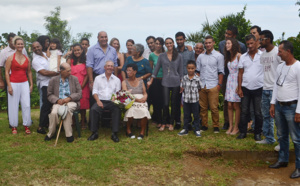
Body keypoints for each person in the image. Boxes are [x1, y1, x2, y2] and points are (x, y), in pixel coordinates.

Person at [269, 40, 300, 179]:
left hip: (292, 107)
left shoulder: (298, 67)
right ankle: (283, 160)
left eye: (280, 51)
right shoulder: (280, 66)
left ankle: (299, 167)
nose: (278, 53)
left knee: (296, 139)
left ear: (288, 51)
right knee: (282, 135)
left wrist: (299, 111)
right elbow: (276, 86)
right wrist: (272, 103)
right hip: (280, 106)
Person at [148, 37, 183, 131]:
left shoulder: (178, 56)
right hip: (165, 81)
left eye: (170, 43)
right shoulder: (162, 56)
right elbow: (155, 69)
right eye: (167, 43)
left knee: (174, 103)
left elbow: (180, 71)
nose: (169, 45)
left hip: (176, 82)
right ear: (165, 45)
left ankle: (171, 123)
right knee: (166, 103)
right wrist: (151, 80)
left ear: (173, 44)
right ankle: (164, 123)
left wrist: (182, 84)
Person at [256, 30, 282, 145]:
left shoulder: (278, 53)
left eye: (261, 39)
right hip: (264, 88)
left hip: (275, 89)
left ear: (269, 39)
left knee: (277, 118)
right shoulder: (263, 55)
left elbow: (283, 70)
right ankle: (269, 138)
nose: (260, 41)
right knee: (266, 115)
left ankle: (282, 141)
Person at [218, 25, 247, 130]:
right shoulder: (221, 44)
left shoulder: (242, 47)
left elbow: (243, 66)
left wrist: (240, 83)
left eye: (229, 35)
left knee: (237, 103)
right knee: (228, 103)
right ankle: (227, 123)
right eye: (225, 34)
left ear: (234, 36)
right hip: (227, 76)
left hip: (237, 78)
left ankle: (238, 125)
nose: (226, 36)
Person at [46, 63, 82, 143]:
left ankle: (69, 135)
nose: (70, 72)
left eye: (70, 70)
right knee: (54, 113)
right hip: (58, 102)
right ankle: (51, 133)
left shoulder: (74, 79)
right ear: (61, 71)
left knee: (67, 111)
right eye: (68, 71)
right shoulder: (53, 80)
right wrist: (57, 100)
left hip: (71, 102)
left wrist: (70, 98)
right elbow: (49, 94)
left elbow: (79, 93)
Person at [237, 34, 263, 140]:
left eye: (252, 43)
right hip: (246, 87)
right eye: (248, 44)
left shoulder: (263, 56)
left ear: (257, 42)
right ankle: (243, 132)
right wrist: (239, 88)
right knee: (244, 111)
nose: (250, 46)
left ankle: (257, 133)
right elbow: (240, 73)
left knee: (258, 112)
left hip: (259, 87)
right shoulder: (243, 57)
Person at [87, 61, 121, 142]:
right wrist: (98, 101)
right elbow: (94, 91)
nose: (110, 67)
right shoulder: (98, 78)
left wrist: (115, 98)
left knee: (117, 110)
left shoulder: (117, 80)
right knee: (93, 109)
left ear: (113, 68)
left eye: (112, 66)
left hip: (112, 101)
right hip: (100, 100)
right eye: (108, 66)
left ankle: (114, 133)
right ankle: (94, 132)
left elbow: (118, 92)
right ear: (104, 67)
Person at [5, 36, 33, 134]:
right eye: (18, 44)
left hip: (24, 83)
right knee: (13, 104)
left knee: (26, 104)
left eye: (22, 44)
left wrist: (31, 84)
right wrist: (9, 85)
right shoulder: (10, 58)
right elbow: (6, 72)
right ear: (15, 45)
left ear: (23, 45)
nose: (20, 45)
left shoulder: (27, 58)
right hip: (13, 83)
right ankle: (14, 126)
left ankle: (26, 125)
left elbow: (29, 72)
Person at [197, 35, 224, 133]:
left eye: (209, 42)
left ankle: (216, 126)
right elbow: (198, 71)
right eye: (206, 43)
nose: (208, 44)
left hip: (213, 85)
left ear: (213, 43)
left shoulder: (219, 56)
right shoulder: (201, 56)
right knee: (203, 107)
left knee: (214, 108)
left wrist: (219, 85)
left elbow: (221, 71)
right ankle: (204, 125)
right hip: (202, 85)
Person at [31, 41, 59, 134]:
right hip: (45, 84)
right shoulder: (35, 60)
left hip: (55, 83)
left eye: (38, 46)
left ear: (41, 46)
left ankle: (50, 124)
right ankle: (40, 127)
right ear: (32, 49)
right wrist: (57, 73)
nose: (36, 49)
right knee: (46, 105)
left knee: (53, 104)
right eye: (34, 48)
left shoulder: (47, 54)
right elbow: (44, 72)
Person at [86, 31, 118, 110]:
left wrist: (116, 78)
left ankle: (108, 121)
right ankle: (94, 121)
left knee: (110, 98)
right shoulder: (92, 50)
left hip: (110, 77)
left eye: (105, 37)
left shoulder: (113, 50)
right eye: (102, 37)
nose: (104, 39)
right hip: (97, 77)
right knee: (95, 100)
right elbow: (89, 66)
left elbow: (115, 65)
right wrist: (91, 81)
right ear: (98, 38)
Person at [123, 63, 151, 140]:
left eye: (130, 70)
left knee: (144, 110)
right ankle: (128, 129)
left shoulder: (141, 81)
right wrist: (137, 100)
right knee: (131, 110)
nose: (128, 72)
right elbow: (126, 94)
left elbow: (145, 92)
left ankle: (142, 131)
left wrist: (144, 98)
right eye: (127, 70)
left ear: (135, 72)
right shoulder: (124, 82)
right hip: (130, 100)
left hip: (141, 99)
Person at [175, 31, 195, 130]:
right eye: (177, 39)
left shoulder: (190, 52)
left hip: (188, 80)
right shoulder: (173, 52)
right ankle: (178, 121)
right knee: (177, 102)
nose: (179, 41)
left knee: (188, 103)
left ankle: (188, 123)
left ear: (184, 39)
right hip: (176, 80)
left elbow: (193, 65)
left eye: (181, 39)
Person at [67, 43, 89, 129]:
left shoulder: (86, 60)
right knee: (73, 104)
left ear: (82, 50)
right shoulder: (70, 60)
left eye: (78, 50)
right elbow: (67, 73)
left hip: (83, 85)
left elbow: (87, 74)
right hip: (72, 86)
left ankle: (83, 122)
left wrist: (81, 86)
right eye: (75, 50)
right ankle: (73, 122)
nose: (77, 52)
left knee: (83, 105)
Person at [178, 60, 201, 137]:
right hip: (186, 100)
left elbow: (199, 88)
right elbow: (182, 88)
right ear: (186, 68)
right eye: (189, 68)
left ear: (195, 68)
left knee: (196, 115)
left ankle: (197, 129)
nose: (190, 70)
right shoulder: (184, 78)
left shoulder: (198, 78)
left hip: (195, 100)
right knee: (186, 115)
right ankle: (185, 129)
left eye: (192, 68)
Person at [224, 38, 241, 135]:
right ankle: (230, 126)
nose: (227, 45)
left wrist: (239, 85)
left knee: (236, 105)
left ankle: (236, 127)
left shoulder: (239, 56)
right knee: (229, 105)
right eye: (226, 43)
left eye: (229, 43)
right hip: (230, 81)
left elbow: (242, 71)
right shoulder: (228, 56)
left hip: (237, 81)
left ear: (233, 44)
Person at [148, 37, 164, 128]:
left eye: (159, 44)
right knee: (156, 101)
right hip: (155, 80)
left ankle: (164, 119)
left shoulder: (165, 54)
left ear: (162, 45)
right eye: (156, 43)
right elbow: (151, 69)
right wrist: (151, 81)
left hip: (165, 80)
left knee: (163, 101)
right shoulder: (152, 55)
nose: (158, 45)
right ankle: (157, 119)